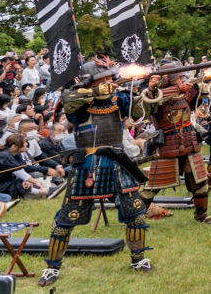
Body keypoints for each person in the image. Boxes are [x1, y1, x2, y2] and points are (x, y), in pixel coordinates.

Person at [39, 60, 153, 286]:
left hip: (118, 162)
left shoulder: (119, 99)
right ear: (93, 81)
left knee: (136, 213)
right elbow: (67, 100)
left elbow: (139, 110)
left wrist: (145, 91)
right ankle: (52, 267)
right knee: (65, 220)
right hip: (88, 164)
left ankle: (138, 259)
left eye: (111, 78)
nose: (110, 82)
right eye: (106, 79)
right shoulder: (80, 106)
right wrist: (93, 91)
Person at [138, 69, 211, 223]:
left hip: (189, 140)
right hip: (168, 143)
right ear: (171, 80)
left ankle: (201, 215)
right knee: (152, 187)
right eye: (179, 77)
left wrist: (201, 83)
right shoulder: (157, 94)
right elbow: (148, 104)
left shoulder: (185, 93)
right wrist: (174, 88)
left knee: (199, 182)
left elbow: (199, 98)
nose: (182, 79)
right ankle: (136, 218)